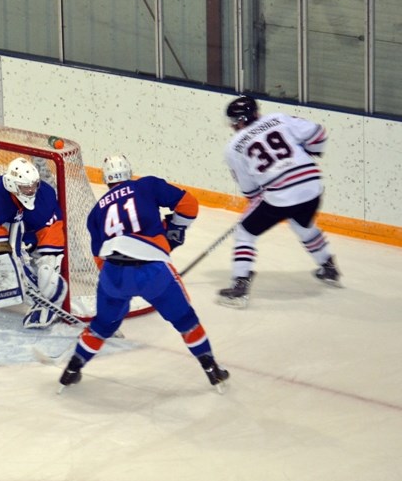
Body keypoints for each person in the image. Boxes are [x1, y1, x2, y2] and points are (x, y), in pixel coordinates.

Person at [59, 154, 229, 392]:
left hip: (114, 275)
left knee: (102, 325)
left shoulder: (96, 212)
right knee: (185, 320)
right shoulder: (145, 185)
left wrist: (121, 284)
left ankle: (72, 370)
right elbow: (189, 205)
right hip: (152, 271)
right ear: (130, 172)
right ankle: (212, 370)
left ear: (106, 179)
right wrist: (175, 230)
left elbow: (100, 259)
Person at [218, 95, 341, 308]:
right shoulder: (279, 119)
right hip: (312, 187)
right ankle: (328, 266)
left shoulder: (233, 148)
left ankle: (239, 286)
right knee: (302, 223)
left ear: (238, 122)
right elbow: (318, 134)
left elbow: (251, 191)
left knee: (245, 232)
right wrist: (311, 151)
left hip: (281, 194)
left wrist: (260, 196)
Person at [0, 157, 68, 329]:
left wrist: (48, 265)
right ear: (12, 184)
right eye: (26, 187)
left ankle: (32, 279)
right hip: (6, 236)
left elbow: (52, 234)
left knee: (42, 276)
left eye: (34, 185)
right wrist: (13, 267)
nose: (32, 190)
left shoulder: (45, 195)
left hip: (29, 239)